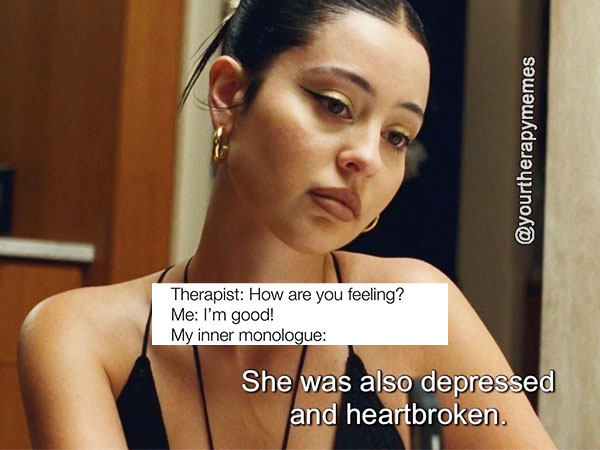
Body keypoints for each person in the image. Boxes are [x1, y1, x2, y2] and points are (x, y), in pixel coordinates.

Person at [18, 0, 556, 448]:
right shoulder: (81, 336)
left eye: (397, 136)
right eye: (335, 105)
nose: (367, 158)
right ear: (229, 94)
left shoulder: (414, 310)